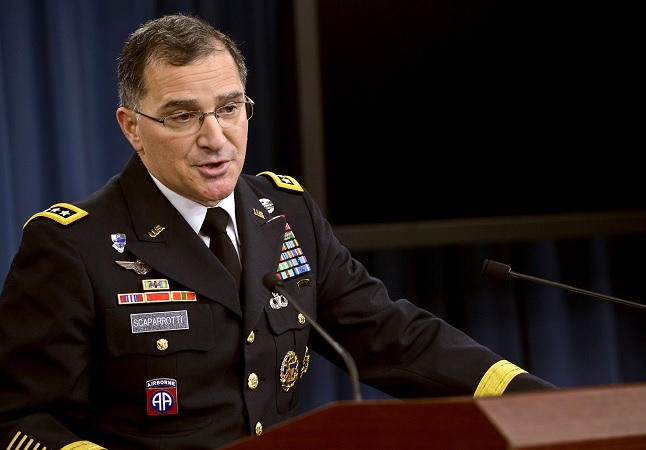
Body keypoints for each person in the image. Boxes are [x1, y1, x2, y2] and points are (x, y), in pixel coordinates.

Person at [0, 13, 557, 450]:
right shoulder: (73, 246)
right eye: (183, 116)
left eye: (229, 108)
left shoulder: (286, 214)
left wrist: (542, 406)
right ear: (132, 129)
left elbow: (394, 339)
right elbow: (20, 419)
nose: (215, 138)